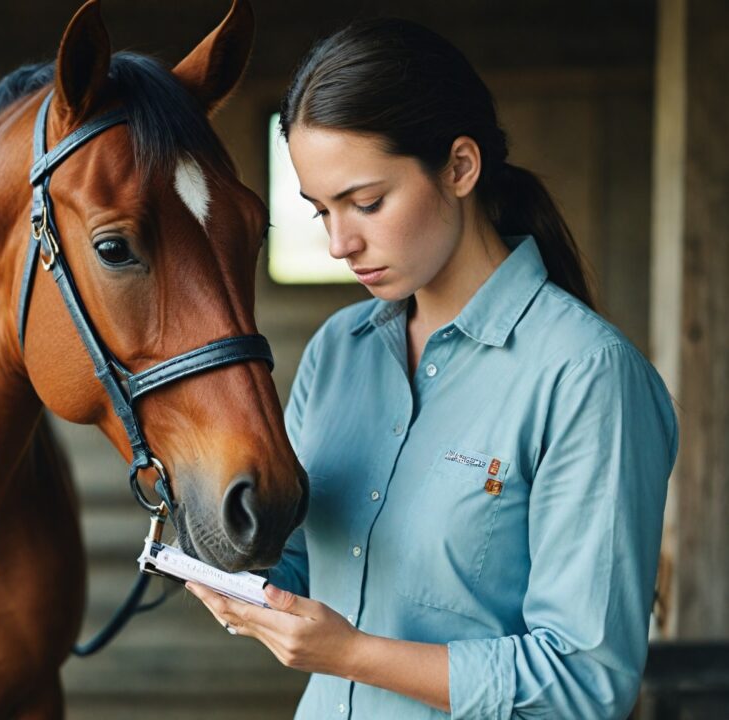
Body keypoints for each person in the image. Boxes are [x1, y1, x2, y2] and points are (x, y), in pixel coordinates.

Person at [186, 17, 678, 720]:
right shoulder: (337, 352)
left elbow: (584, 684)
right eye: (319, 210)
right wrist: (227, 571)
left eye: (366, 202)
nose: (339, 243)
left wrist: (349, 654)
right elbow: (300, 566)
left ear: (459, 168)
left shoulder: (587, 377)